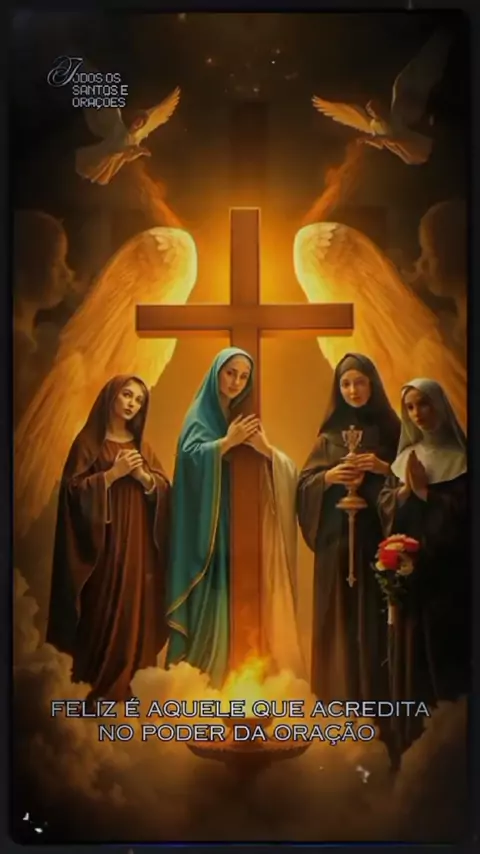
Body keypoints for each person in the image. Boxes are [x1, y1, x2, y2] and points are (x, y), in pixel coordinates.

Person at [165, 347, 304, 687]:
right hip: (205, 525)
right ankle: (198, 679)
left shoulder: (235, 414)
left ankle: (227, 678)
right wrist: (225, 443)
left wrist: (260, 449)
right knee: (207, 598)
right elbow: (189, 461)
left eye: (243, 377)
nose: (236, 382)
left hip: (230, 517)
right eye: (230, 373)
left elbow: (276, 467)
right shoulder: (200, 414)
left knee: (229, 598)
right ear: (216, 373)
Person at [296, 353, 401, 756]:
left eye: (359, 382)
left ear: (372, 384)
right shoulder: (327, 439)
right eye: (345, 384)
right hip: (335, 551)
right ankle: (334, 729)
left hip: (377, 548)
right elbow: (304, 487)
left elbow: (413, 484)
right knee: (336, 629)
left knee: (373, 631)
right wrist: (327, 477)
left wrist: (384, 469)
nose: (353, 390)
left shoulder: (392, 433)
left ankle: (380, 728)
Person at [46, 375, 171, 703]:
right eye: (127, 395)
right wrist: (112, 476)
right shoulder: (88, 443)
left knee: (134, 606)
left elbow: (163, 489)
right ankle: (96, 687)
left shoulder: (141, 445)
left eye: (139, 400)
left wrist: (143, 478)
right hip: (103, 544)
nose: (132, 404)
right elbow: (72, 494)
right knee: (101, 608)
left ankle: (132, 685)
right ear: (111, 396)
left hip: (138, 544)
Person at [378, 378, 469, 756]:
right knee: (409, 662)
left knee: (442, 663)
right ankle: (409, 751)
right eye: (411, 408)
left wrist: (425, 494)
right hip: (409, 581)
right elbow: (386, 507)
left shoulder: (461, 459)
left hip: (447, 583)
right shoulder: (406, 458)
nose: (418, 414)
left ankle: (447, 756)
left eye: (424, 404)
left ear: (440, 406)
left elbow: (463, 518)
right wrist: (403, 493)